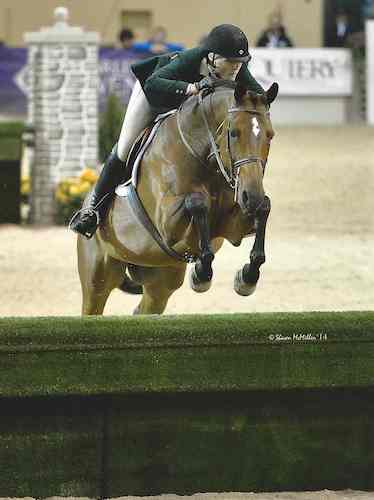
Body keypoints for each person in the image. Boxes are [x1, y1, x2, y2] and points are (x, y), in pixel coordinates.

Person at [70, 24, 265, 239]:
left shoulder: (237, 68)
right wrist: (192, 88)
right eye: (231, 61)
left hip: (189, 111)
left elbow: (259, 97)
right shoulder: (189, 60)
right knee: (125, 148)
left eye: (240, 62)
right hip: (156, 95)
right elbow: (154, 83)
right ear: (211, 57)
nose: (236, 67)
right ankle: (93, 210)